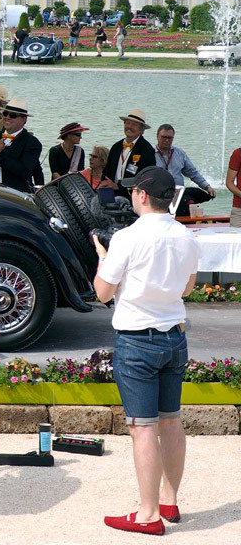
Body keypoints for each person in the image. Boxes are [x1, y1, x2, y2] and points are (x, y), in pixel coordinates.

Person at [92, 167, 199, 536]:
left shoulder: (127, 237)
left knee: (142, 429)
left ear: (140, 194)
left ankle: (148, 514)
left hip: (137, 338)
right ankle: (169, 499)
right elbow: (187, 289)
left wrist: (102, 259)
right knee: (171, 420)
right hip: (175, 335)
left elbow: (103, 293)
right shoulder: (187, 236)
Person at [0, 98, 43, 194]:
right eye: (5, 113)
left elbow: (24, 172)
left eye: (13, 115)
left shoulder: (32, 143)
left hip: (11, 194)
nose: (7, 117)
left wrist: (0, 154)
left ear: (23, 119)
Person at [152, 123, 215, 210]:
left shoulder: (179, 153)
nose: (166, 140)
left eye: (169, 138)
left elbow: (192, 173)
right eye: (163, 137)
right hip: (158, 195)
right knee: (185, 201)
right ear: (157, 136)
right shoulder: (150, 154)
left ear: (173, 138)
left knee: (200, 194)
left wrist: (207, 186)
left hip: (178, 192)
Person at [102, 109, 156, 196]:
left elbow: (146, 178)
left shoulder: (147, 150)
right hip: (112, 195)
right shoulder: (116, 146)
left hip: (133, 198)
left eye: (134, 124)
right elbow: (107, 172)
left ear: (141, 130)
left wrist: (118, 186)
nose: (129, 126)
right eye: (127, 123)